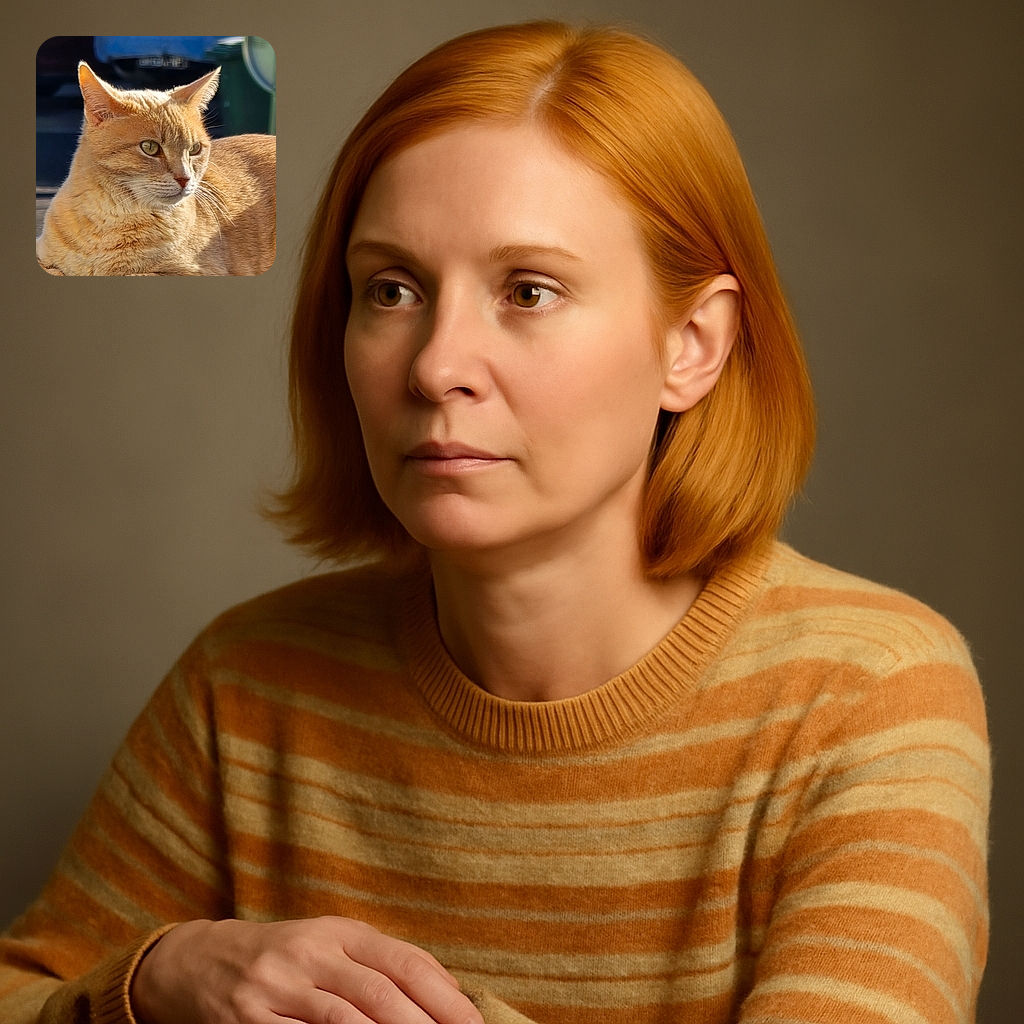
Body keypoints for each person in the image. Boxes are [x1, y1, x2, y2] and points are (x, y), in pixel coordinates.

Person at [0, 20, 989, 1024]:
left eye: (528, 290)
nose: (434, 366)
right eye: (391, 289)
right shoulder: (246, 686)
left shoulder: (869, 698)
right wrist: (156, 979)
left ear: (692, 344)